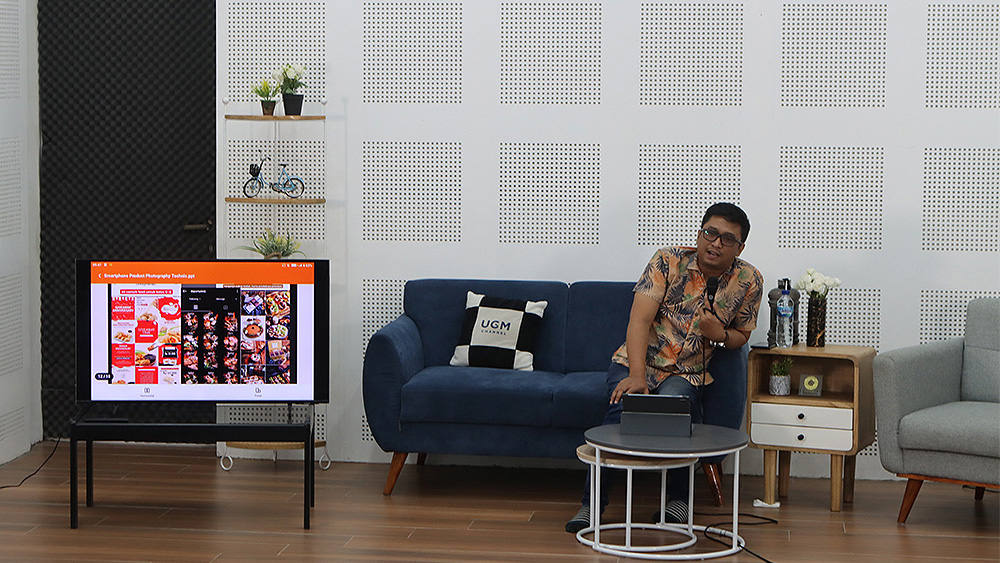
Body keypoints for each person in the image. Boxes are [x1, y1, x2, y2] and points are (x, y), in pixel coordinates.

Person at [566, 202, 764, 533]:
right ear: (699, 234)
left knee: (677, 409)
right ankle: (592, 505)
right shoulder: (667, 260)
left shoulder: (749, 280)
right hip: (638, 361)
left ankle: (678, 500)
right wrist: (637, 376)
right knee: (625, 407)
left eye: (727, 239)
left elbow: (741, 336)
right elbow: (639, 320)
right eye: (710, 233)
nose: (716, 243)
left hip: (687, 372)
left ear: (739, 247)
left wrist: (719, 334)